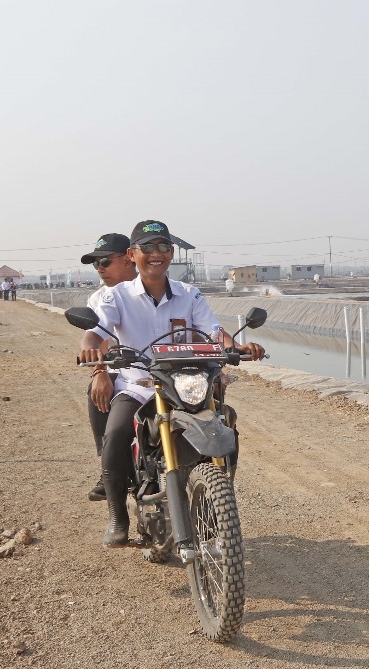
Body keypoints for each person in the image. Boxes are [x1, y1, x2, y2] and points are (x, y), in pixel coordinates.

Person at [77, 220, 266, 547]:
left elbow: (212, 332)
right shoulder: (117, 296)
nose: (156, 253)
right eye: (147, 247)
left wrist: (235, 347)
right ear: (132, 254)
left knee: (225, 425)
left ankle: (217, 497)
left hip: (184, 384)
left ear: (171, 253)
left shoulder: (189, 294)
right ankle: (117, 515)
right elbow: (97, 332)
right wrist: (91, 351)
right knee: (116, 432)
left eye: (163, 246)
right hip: (138, 386)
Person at [78, 232, 137, 501]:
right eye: (96, 264)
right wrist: (100, 371)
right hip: (121, 365)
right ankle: (109, 466)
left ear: (129, 258)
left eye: (105, 261)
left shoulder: (162, 289)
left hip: (163, 364)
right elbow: (97, 336)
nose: (100, 269)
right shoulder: (100, 298)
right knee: (98, 390)